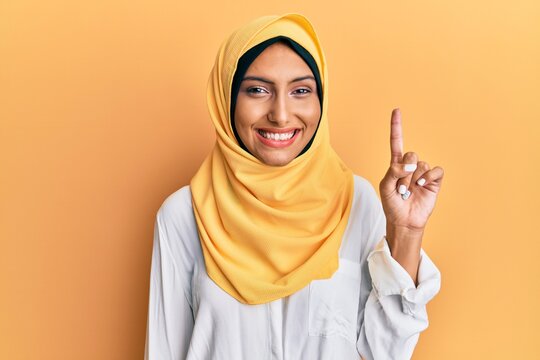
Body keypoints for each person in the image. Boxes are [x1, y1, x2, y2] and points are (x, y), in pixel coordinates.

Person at [144, 13, 444, 360]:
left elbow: (385, 353)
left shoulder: (358, 203)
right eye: (257, 90)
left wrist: (406, 232)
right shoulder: (184, 215)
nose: (281, 114)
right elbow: (164, 351)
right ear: (226, 98)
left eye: (301, 90)